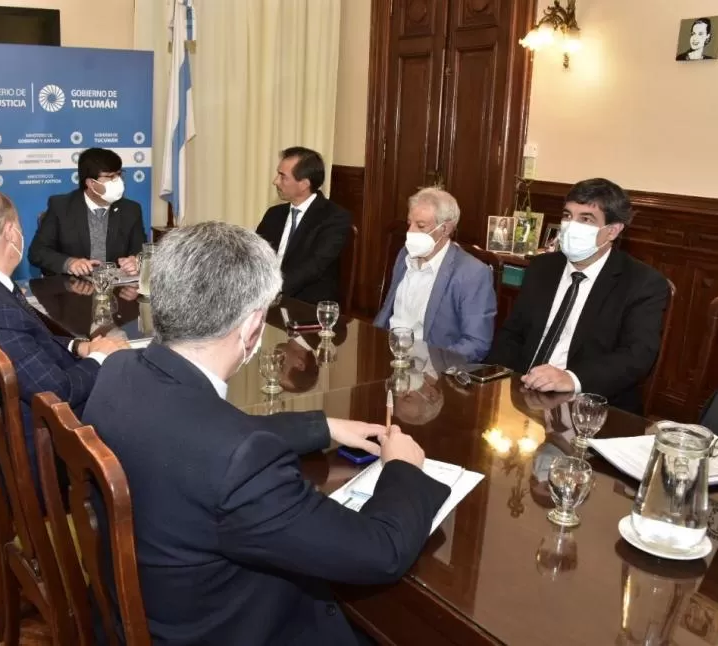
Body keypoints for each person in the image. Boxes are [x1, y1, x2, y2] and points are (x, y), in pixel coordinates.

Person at [82, 221, 450, 645]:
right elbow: (380, 552)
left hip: (141, 613)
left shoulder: (120, 371)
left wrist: (323, 426)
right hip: (226, 628)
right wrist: (403, 469)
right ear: (253, 326)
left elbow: (203, 437)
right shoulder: (237, 460)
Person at [0, 190, 127, 477]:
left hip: (6, 418)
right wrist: (101, 357)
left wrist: (78, 347)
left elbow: (29, 338)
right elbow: (58, 392)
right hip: (38, 446)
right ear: (11, 231)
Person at [486, 178, 670, 414]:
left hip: (590, 405)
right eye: (567, 216)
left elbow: (636, 356)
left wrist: (571, 379)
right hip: (524, 395)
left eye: (586, 219)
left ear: (612, 230)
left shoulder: (641, 283)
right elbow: (513, 334)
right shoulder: (542, 268)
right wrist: (495, 381)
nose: (571, 226)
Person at [374, 188, 496, 363]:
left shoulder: (472, 273)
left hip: (433, 371)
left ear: (445, 228)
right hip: (390, 356)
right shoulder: (405, 255)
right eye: (410, 223)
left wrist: (432, 364)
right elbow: (387, 313)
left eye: (421, 225)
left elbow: (476, 343)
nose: (411, 232)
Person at [28, 147, 145, 277]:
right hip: (71, 289)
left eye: (119, 174)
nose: (118, 181)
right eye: (110, 177)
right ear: (90, 183)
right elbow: (37, 252)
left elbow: (140, 251)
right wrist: (69, 263)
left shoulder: (131, 210)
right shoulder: (61, 207)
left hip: (116, 289)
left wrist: (136, 261)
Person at [256, 147, 352, 304]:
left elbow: (313, 267)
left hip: (306, 306)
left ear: (304, 184)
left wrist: (272, 290)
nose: (275, 181)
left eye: (282, 177)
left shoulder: (334, 218)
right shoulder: (274, 214)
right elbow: (256, 255)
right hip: (267, 299)